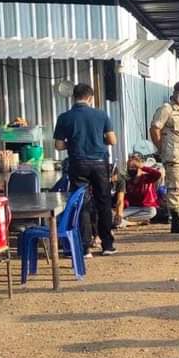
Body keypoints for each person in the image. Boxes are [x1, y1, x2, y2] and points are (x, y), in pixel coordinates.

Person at [53, 83, 118, 256]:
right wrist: (97, 142)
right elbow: (112, 140)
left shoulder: (64, 117)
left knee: (81, 203)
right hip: (99, 163)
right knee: (103, 202)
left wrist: (73, 143)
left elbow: (58, 145)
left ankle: (84, 247)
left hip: (78, 163)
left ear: (74, 97)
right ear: (90, 98)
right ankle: (107, 244)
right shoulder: (101, 114)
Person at [149, 80, 179, 234]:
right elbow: (155, 128)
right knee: (175, 188)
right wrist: (161, 148)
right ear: (175, 93)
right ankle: (175, 221)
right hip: (175, 156)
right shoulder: (167, 109)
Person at [122, 152, 161, 224]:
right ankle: (135, 222)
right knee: (115, 215)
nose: (131, 169)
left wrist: (142, 167)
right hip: (133, 208)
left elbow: (157, 174)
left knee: (152, 211)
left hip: (146, 207)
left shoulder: (147, 178)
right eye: (130, 167)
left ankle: (127, 221)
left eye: (134, 167)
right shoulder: (128, 181)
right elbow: (125, 198)